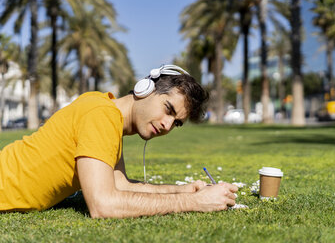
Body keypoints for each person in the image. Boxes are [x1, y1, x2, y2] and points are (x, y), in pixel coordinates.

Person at [0, 64, 238, 218]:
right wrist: (194, 202)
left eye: (176, 122)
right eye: (168, 109)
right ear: (145, 89)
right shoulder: (102, 116)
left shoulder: (105, 110)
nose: (167, 125)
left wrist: (183, 190)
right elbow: (103, 205)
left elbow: (119, 185)